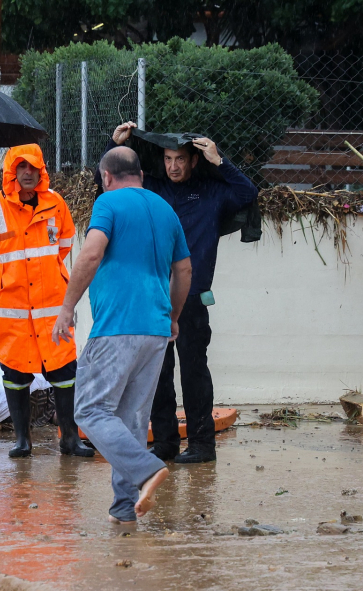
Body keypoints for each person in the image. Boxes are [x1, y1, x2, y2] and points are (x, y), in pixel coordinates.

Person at [52, 146, 192, 523]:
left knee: (90, 409)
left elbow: (92, 254)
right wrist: (174, 316)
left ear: (106, 177)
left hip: (117, 327)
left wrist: (67, 307)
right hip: (156, 330)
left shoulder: (108, 204)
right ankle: (123, 509)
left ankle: (146, 469)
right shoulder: (166, 210)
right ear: (142, 176)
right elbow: (184, 271)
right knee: (130, 419)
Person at [105, 122, 258, 464]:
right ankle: (165, 444)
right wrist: (111, 145)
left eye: (180, 159)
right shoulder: (152, 188)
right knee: (157, 374)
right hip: (153, 297)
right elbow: (113, 187)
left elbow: (247, 193)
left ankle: (202, 445)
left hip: (191, 297)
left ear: (192, 161)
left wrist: (220, 160)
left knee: (193, 372)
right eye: (168, 158)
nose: (173, 165)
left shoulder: (212, 191)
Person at [0, 144, 93, 458]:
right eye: (21, 167)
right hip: (10, 313)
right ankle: (22, 440)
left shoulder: (56, 204)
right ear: (11, 171)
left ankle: (70, 438)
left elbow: (64, 245)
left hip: (51, 309)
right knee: (15, 376)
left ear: (41, 170)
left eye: (33, 168)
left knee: (65, 372)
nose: (27, 173)